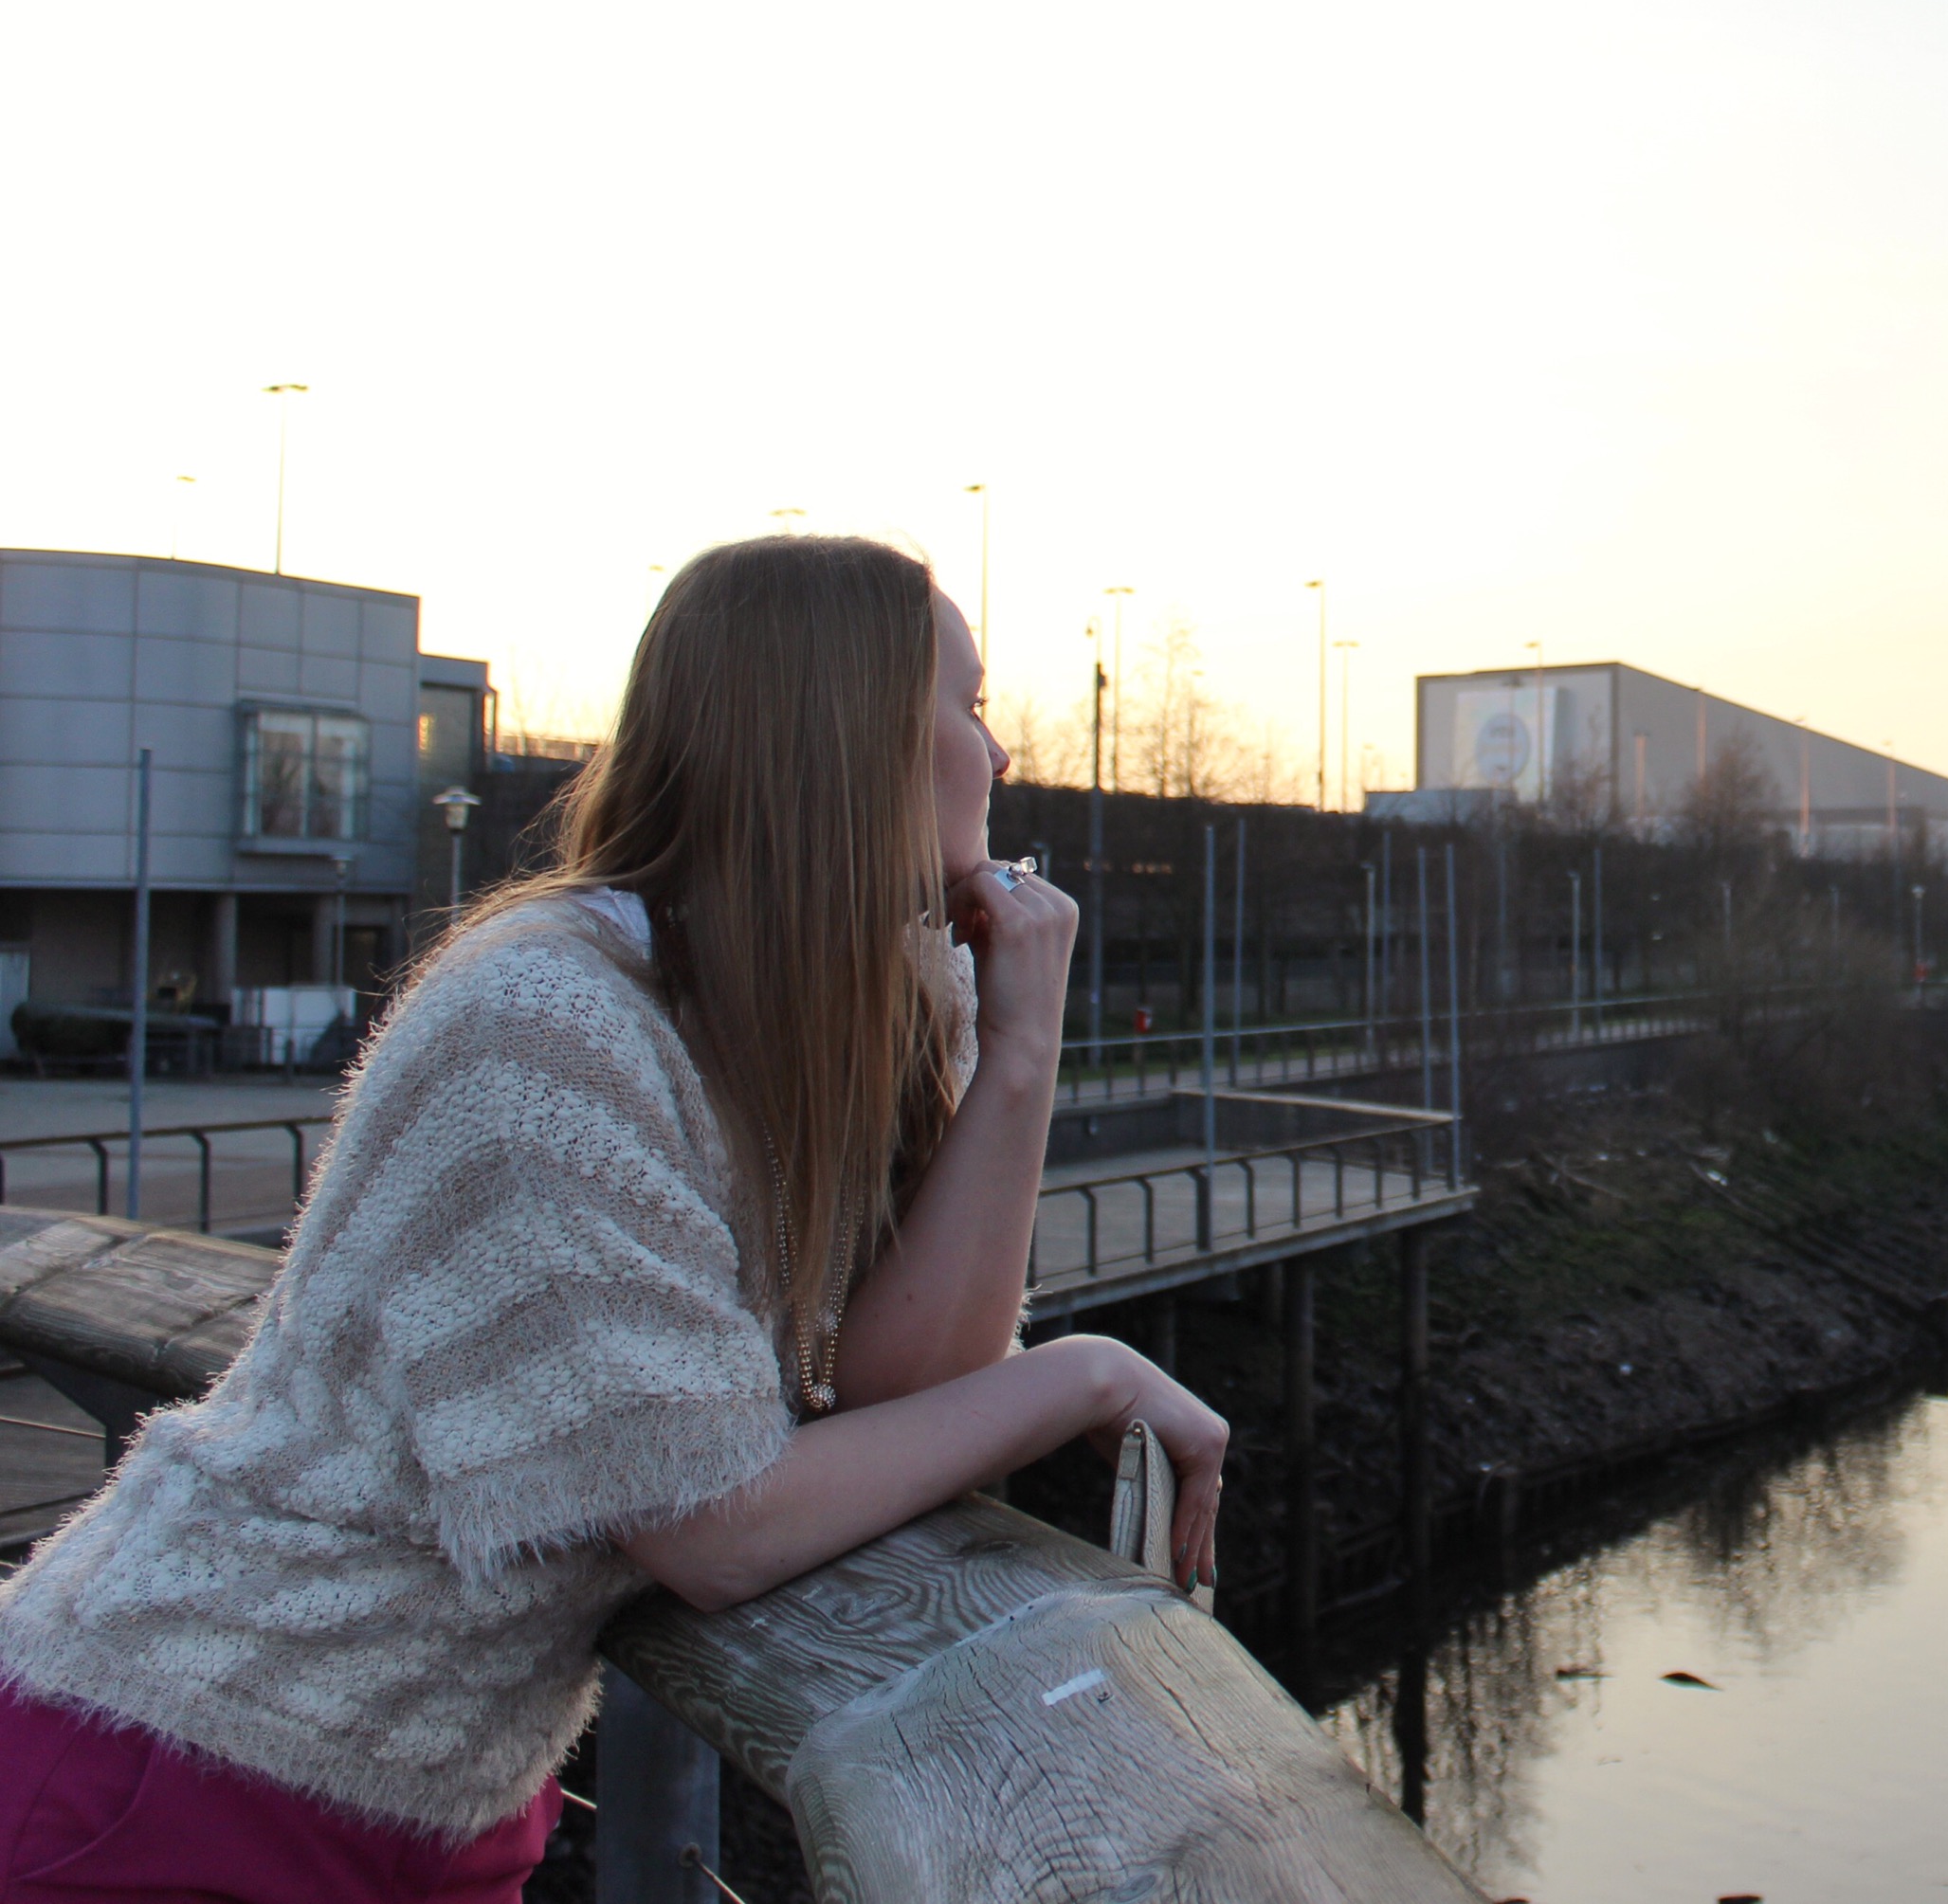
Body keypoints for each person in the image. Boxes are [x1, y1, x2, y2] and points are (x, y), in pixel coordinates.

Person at [0, 535, 1229, 1899]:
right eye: (971, 703)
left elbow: (889, 1388)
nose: (999, 756)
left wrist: (1017, 1055)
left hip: (431, 1793)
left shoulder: (775, 1027)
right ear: (851, 738)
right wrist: (1085, 1375)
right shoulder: (547, 1026)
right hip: (183, 1761)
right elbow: (715, 1526)